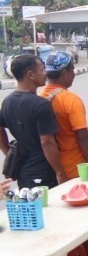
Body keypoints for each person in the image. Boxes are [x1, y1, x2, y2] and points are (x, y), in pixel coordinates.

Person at [0, 55, 68, 188]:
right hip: (44, 173)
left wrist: (8, 151)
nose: (45, 73)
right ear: (30, 74)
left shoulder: (7, 102)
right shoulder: (41, 105)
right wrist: (60, 173)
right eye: (42, 70)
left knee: (31, 208)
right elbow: (47, 142)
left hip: (23, 172)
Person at [39, 51, 88, 178]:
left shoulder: (40, 99)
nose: (74, 74)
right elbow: (83, 137)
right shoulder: (71, 100)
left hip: (52, 169)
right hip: (75, 169)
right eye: (72, 70)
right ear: (65, 72)